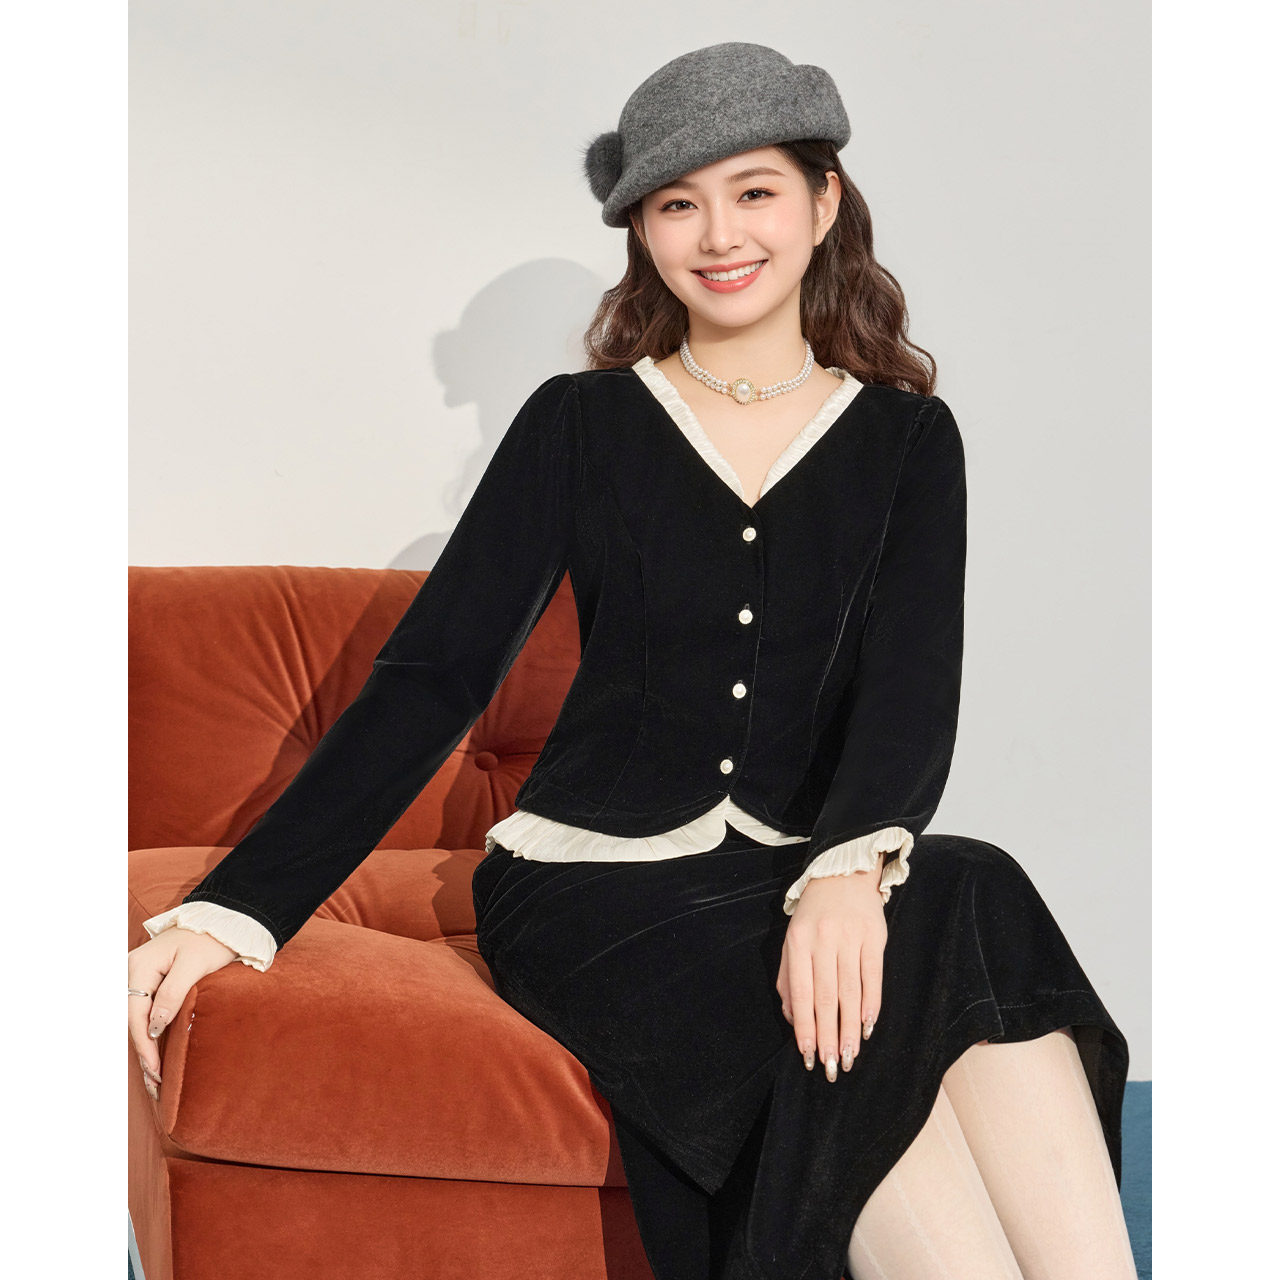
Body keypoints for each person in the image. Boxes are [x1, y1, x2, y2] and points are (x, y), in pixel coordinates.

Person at [128, 41, 1139, 1280]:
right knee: (865, 1047)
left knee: (972, 883)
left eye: (753, 191)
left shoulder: (905, 439)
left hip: (790, 867)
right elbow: (434, 677)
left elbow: (908, 687)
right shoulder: (582, 423)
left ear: (823, 202)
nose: (718, 233)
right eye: (675, 203)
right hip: (592, 887)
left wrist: (843, 870)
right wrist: (238, 905)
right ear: (641, 231)